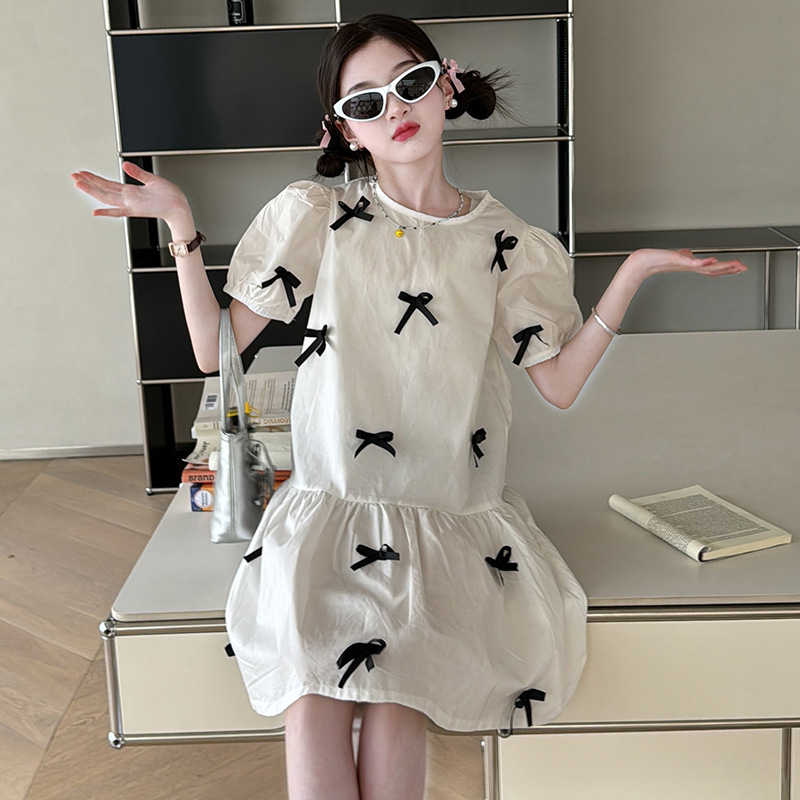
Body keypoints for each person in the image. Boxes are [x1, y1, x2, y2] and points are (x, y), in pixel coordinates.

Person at [72, 14, 746, 800]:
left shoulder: (505, 242)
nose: (394, 108)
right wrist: (181, 223)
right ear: (345, 131)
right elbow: (214, 348)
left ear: (445, 86)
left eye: (410, 83)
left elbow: (558, 383)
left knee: (399, 707)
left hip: (446, 521)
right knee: (311, 697)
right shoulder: (318, 218)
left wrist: (630, 275)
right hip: (329, 519)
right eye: (365, 102)